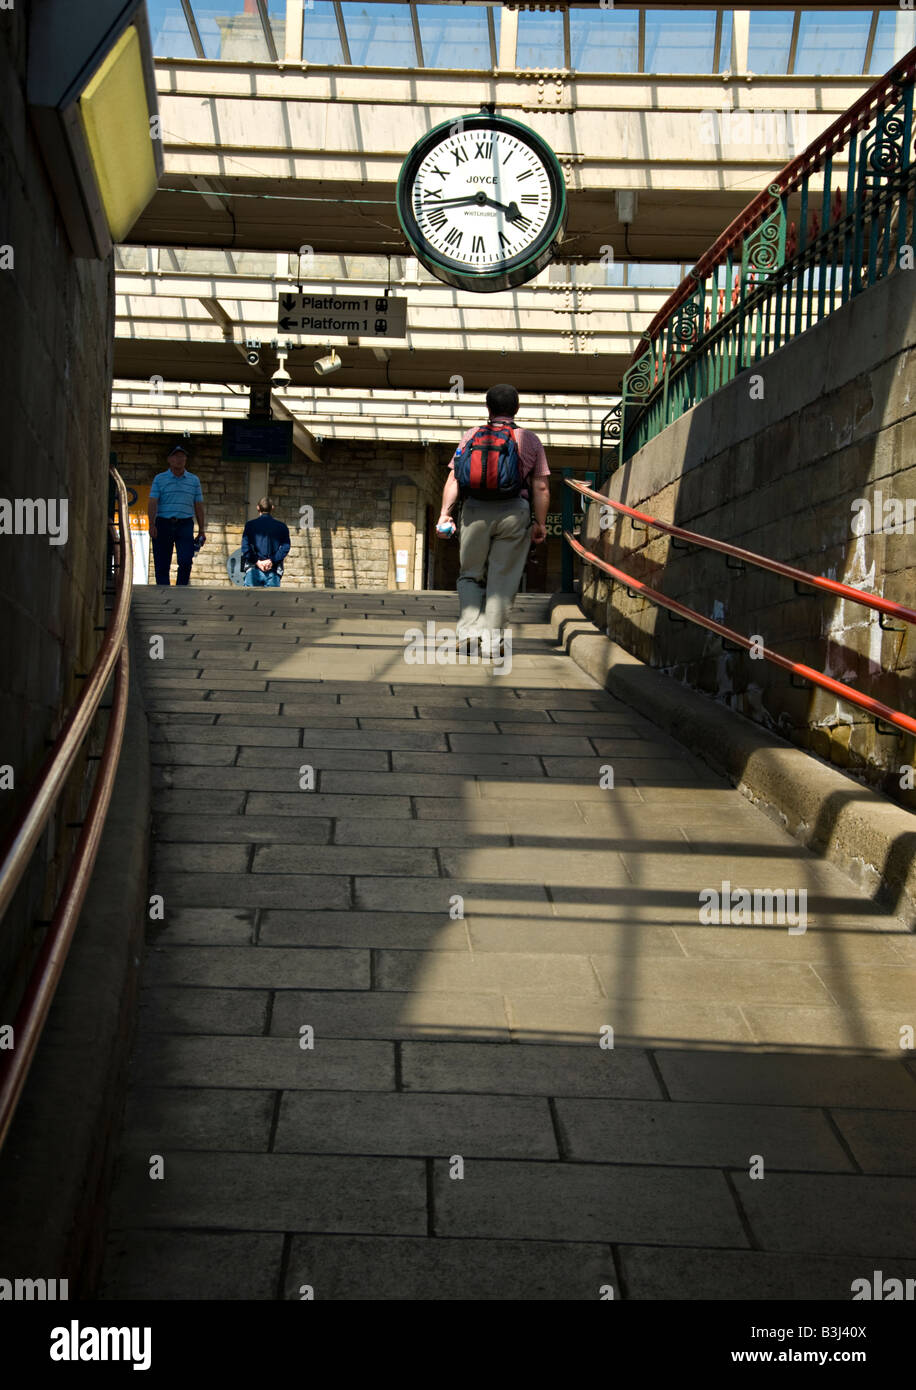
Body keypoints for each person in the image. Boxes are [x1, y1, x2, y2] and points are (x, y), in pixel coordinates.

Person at [437, 384, 549, 645]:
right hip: (514, 512)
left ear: (488, 408)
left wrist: (445, 514)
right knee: (503, 579)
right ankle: (491, 642)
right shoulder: (530, 439)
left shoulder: (472, 435)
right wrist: (540, 523)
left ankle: (468, 634)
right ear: (516, 408)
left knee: (470, 574)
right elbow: (541, 486)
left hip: (474, 510)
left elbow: (454, 479)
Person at [148, 442, 206, 586]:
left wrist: (202, 530)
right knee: (162, 562)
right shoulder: (159, 479)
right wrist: (151, 524)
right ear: (169, 459)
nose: (180, 459)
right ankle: (163, 591)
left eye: (182, 456)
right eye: (176, 456)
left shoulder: (194, 480)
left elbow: (198, 505)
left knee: (186, 560)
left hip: (185, 524)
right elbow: (152, 502)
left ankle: (181, 589)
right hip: (163, 523)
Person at [241, 496, 291, 587]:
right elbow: (285, 547)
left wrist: (257, 561)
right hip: (273, 570)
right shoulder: (282, 526)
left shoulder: (250, 525)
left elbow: (245, 548)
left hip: (253, 570)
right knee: (271, 601)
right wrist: (272, 560)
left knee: (250, 600)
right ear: (272, 508)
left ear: (258, 508)